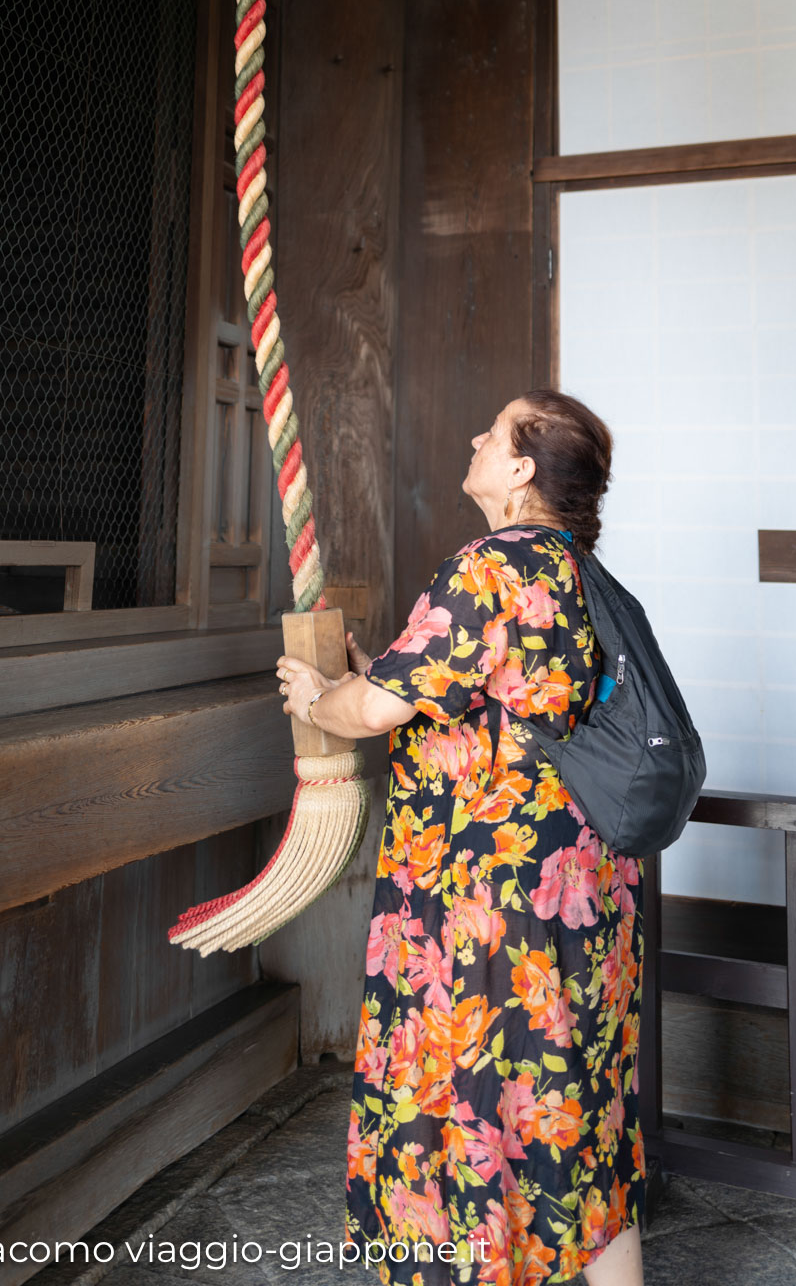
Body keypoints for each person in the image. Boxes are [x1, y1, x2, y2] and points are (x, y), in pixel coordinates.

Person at [277, 390, 645, 1286]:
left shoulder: (486, 570)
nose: (475, 436)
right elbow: (485, 699)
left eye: (495, 431)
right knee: (572, 1114)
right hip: (577, 894)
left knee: (461, 1117)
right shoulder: (575, 571)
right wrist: (377, 678)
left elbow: (372, 710)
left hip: (484, 910)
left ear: (519, 472)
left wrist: (319, 699)